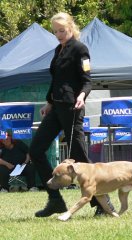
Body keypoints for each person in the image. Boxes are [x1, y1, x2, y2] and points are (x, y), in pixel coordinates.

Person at [29, 12, 112, 217]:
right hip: (57, 108)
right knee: (36, 150)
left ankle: (102, 204)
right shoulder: (58, 49)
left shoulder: (80, 49)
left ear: (71, 27)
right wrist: (49, 103)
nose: (58, 34)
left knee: (80, 159)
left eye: (62, 30)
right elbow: (57, 80)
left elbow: (87, 80)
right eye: (55, 31)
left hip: (73, 108)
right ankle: (55, 200)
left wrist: (82, 96)